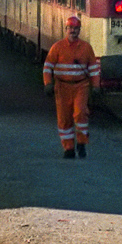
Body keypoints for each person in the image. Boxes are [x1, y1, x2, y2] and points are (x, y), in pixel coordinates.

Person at [43, 16, 100, 158]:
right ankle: (68, 148)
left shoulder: (86, 48)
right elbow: (47, 67)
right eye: (70, 28)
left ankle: (81, 143)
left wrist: (95, 86)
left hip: (81, 86)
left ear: (79, 30)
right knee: (64, 119)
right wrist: (48, 84)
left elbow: (93, 69)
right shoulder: (57, 47)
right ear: (66, 29)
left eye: (76, 28)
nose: (73, 31)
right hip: (62, 87)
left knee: (80, 113)